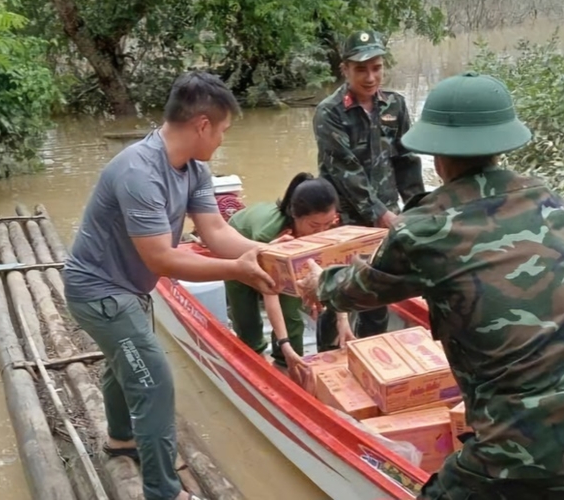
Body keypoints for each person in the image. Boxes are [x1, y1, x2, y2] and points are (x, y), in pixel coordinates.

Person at [298, 71, 564, 500]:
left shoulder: (424, 228)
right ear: (502, 146)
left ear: (437, 157)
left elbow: (356, 289)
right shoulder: (547, 199)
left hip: (520, 453)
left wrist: (320, 281)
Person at [63, 71, 278, 500]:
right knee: (153, 378)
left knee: (126, 359)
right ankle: (163, 491)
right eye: (222, 131)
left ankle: (122, 438)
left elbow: (215, 230)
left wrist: (265, 253)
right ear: (202, 125)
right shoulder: (138, 172)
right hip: (99, 291)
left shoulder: (194, 167)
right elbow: (162, 259)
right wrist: (237, 270)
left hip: (128, 286)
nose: (221, 140)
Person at [313, 29, 425, 343]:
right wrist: (382, 214)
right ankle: (327, 359)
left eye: (376, 68)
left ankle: (371, 356)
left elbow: (406, 162)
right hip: (342, 220)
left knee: (376, 295)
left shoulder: (395, 106)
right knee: (334, 296)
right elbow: (345, 170)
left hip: (386, 216)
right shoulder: (329, 113)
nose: (370, 77)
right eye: (361, 69)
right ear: (345, 69)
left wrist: (418, 211)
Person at [224, 172, 355, 372]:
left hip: (275, 246)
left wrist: (342, 320)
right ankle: (255, 359)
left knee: (291, 313)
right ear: (296, 215)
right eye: (314, 226)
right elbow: (271, 291)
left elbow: (332, 274)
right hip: (240, 244)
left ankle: (287, 363)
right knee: (245, 316)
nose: (321, 232)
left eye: (328, 224)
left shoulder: (328, 229)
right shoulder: (274, 236)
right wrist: (285, 343)